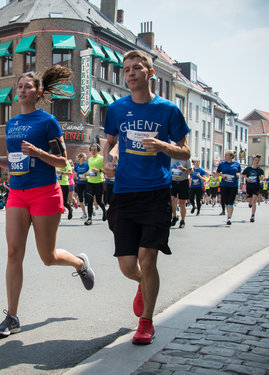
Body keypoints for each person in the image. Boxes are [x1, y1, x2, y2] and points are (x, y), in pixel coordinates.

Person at [0, 65, 95, 337]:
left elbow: (62, 161)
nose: (22, 90)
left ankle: (79, 264)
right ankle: (13, 316)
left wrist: (38, 151)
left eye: (27, 87)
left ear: (38, 92)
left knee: (48, 256)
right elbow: (13, 159)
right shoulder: (12, 123)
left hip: (44, 191)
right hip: (18, 192)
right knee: (13, 253)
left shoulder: (47, 122)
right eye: (19, 86)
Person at [103, 50, 190, 345]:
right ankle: (144, 284)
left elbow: (186, 152)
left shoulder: (168, 111)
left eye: (136, 68)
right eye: (126, 69)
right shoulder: (116, 109)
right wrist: (108, 158)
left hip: (156, 192)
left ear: (149, 73)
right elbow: (112, 142)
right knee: (129, 265)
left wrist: (163, 146)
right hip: (124, 193)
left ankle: (146, 322)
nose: (130, 73)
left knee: (147, 258)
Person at [215, 150, 241, 225]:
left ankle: (229, 218)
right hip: (224, 185)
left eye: (226, 155)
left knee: (230, 202)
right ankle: (228, 214)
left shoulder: (236, 164)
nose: (225, 156)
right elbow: (216, 173)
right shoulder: (222, 164)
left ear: (231, 156)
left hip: (233, 185)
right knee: (226, 202)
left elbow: (239, 171)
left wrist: (238, 174)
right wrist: (221, 175)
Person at [84, 143, 107, 225]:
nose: (93, 150)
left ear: (98, 150)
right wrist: (85, 174)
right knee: (89, 201)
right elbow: (90, 170)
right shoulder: (89, 159)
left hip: (99, 182)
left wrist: (98, 170)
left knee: (98, 201)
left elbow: (105, 169)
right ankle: (89, 218)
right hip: (90, 182)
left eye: (95, 149)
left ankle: (104, 211)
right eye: (92, 149)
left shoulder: (101, 158)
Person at [170, 158, 192, 228]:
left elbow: (191, 171)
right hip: (173, 181)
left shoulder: (185, 158)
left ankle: (182, 220)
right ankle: (175, 216)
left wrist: (183, 169)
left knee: (182, 202)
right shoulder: (170, 157)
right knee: (172, 199)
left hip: (183, 181)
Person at [242, 154, 263, 222]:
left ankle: (253, 215)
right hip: (249, 186)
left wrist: (262, 181)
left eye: (258, 161)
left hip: (256, 187)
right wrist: (247, 178)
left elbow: (262, 177)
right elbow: (243, 174)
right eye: (256, 160)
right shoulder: (248, 169)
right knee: (250, 200)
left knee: (254, 201)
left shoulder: (260, 170)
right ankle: (250, 203)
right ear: (253, 161)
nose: (257, 162)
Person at [74, 152, 89, 219]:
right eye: (83, 157)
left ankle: (91, 210)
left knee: (87, 199)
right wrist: (76, 176)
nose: (85, 158)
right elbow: (75, 173)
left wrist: (86, 175)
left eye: (85, 157)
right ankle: (84, 213)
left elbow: (89, 173)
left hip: (86, 183)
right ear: (80, 158)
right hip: (80, 184)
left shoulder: (87, 165)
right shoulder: (76, 166)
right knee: (80, 199)